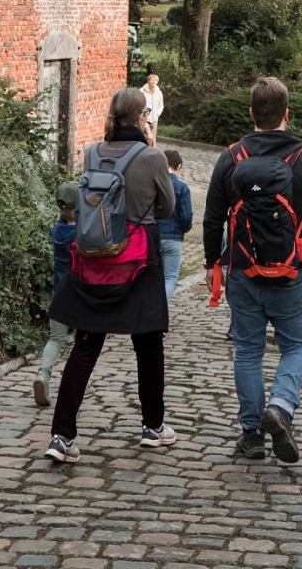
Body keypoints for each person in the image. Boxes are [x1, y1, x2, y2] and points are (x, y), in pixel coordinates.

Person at [204, 76, 302, 463]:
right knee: (297, 346)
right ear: (286, 114)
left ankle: (252, 436)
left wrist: (214, 264)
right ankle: (280, 405)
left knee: (247, 351)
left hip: (242, 273)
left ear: (251, 115)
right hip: (290, 272)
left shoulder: (232, 157)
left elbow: (213, 220)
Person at [44, 88, 175, 464]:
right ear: (140, 117)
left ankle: (61, 435)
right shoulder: (152, 157)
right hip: (138, 260)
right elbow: (166, 208)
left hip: (95, 260)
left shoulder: (92, 152)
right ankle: (153, 427)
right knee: (148, 345)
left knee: (85, 346)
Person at [33, 182, 79, 407]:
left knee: (56, 339)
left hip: (58, 294)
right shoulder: (82, 234)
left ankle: (43, 374)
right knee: (83, 343)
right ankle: (82, 382)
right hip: (81, 295)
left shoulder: (57, 229)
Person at [157, 148, 194, 303]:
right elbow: (186, 215)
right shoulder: (182, 187)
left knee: (154, 277)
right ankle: (159, 311)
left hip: (154, 235)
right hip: (173, 237)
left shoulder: (155, 185)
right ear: (178, 166)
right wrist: (185, 228)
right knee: (170, 277)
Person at [140, 73, 165, 144]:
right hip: (145, 118)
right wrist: (142, 114)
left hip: (154, 118)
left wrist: (157, 114)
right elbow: (138, 103)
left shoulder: (159, 93)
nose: (154, 82)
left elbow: (161, 106)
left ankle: (153, 153)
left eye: (155, 81)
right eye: (152, 80)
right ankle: (145, 151)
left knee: (153, 138)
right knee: (148, 136)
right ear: (148, 81)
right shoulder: (142, 91)